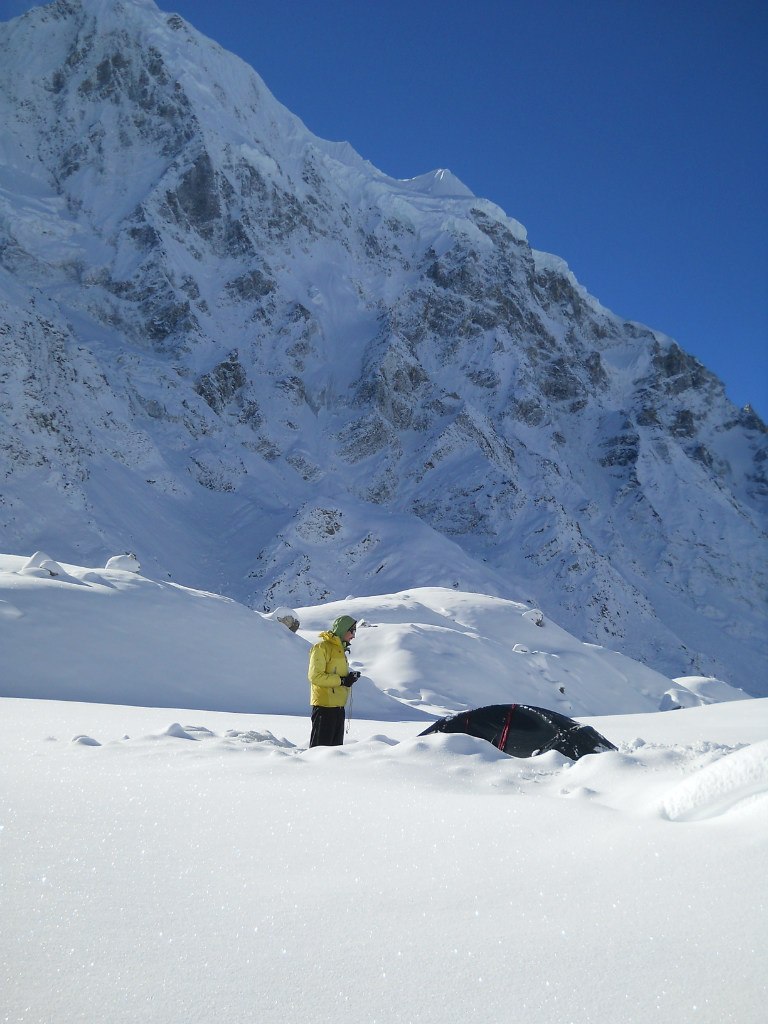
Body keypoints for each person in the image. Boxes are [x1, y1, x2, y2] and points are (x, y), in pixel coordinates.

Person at [307, 614, 360, 747]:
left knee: (334, 755)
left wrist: (349, 679)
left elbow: (337, 674)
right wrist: (342, 681)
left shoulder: (341, 650)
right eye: (352, 631)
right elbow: (315, 676)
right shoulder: (321, 648)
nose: (353, 635)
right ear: (343, 630)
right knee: (319, 753)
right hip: (324, 708)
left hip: (338, 708)